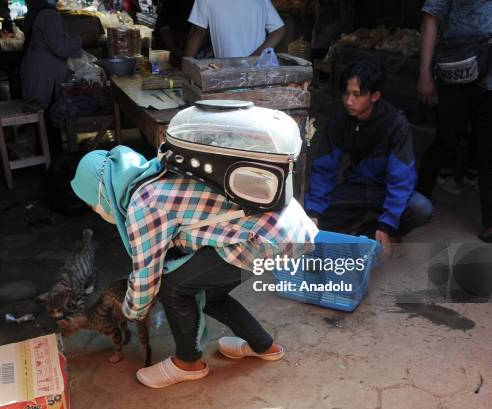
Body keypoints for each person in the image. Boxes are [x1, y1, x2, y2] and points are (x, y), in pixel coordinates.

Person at [71, 146, 317, 388]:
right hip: (288, 227)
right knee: (209, 291)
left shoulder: (143, 204)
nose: (95, 209)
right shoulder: (157, 170)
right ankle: (263, 345)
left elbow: (147, 274)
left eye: (92, 202)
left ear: (101, 192)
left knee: (173, 286)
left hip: (264, 240)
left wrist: (130, 311)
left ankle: (188, 363)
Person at [305, 60, 433, 255]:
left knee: (421, 208)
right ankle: (361, 223)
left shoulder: (395, 124)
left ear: (375, 96)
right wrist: (313, 213)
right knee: (307, 211)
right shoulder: (340, 120)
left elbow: (401, 178)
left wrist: (388, 224)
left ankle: (376, 229)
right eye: (346, 93)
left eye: (357, 95)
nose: (349, 101)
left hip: (384, 191)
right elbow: (324, 167)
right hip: (355, 188)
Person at [415, 0, 492, 242]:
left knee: (488, 151)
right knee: (446, 140)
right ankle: (416, 201)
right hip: (458, 65)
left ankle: (490, 223)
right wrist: (425, 72)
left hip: (490, 77)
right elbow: (431, 19)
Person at [21, 0, 82, 152]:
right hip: (45, 74)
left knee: (47, 119)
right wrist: (80, 41)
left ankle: (48, 155)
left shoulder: (37, 11)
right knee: (49, 117)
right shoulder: (49, 14)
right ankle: (52, 159)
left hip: (40, 70)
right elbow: (60, 47)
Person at [184, 0, 286, 58]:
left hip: (227, 74)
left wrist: (185, 67)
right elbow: (279, 30)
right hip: (258, 72)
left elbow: (197, 33)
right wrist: (253, 58)